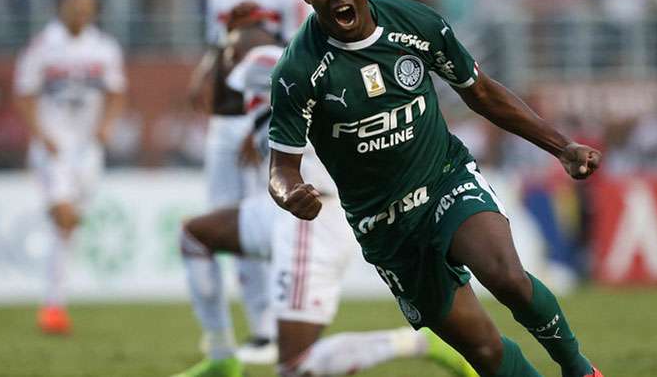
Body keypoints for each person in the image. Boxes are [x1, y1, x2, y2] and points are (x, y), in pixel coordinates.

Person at [267, 0, 604, 377]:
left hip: (445, 178)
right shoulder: (298, 71)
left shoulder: (416, 24)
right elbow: (281, 169)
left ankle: (580, 369)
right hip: (386, 227)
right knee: (483, 350)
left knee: (507, 278)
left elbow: (480, 92)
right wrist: (291, 194)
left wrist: (561, 146)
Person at [173, 25, 477, 377]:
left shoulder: (264, 59)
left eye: (227, 52)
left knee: (294, 367)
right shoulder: (271, 80)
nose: (223, 61)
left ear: (243, 51)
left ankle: (421, 342)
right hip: (283, 211)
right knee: (195, 236)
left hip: (311, 217)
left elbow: (217, 94)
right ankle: (223, 356)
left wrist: (230, 51)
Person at [185, 0, 311, 363]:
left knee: (264, 218)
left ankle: (267, 324)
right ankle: (235, 333)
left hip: (260, 120)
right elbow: (221, 48)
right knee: (224, 221)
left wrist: (266, 120)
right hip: (223, 120)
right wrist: (203, 75)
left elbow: (300, 52)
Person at [14, 0, 126, 334]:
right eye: (76, 5)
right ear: (62, 5)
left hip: (88, 149)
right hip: (54, 147)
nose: (81, 12)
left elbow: (116, 91)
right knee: (63, 217)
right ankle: (52, 307)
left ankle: (54, 303)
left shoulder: (104, 48)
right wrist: (39, 133)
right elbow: (25, 93)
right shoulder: (43, 46)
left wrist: (107, 126)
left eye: (88, 7)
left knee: (68, 226)